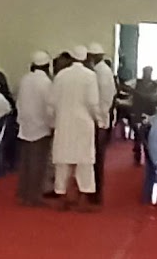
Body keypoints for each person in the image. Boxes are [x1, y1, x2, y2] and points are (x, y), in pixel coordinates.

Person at [50, 45, 101, 211]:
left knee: (62, 161)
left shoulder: (61, 76)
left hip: (63, 122)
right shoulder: (90, 76)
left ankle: (62, 197)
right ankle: (84, 199)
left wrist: (53, 122)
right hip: (83, 123)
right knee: (84, 162)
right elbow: (92, 103)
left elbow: (52, 102)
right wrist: (98, 120)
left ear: (71, 58)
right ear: (86, 58)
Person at [15, 52, 55, 207]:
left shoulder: (25, 80)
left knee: (26, 163)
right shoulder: (46, 83)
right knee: (38, 164)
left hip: (25, 126)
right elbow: (49, 107)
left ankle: (23, 194)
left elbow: (18, 102)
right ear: (47, 66)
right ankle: (34, 197)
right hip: (40, 127)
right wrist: (52, 125)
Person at [87, 41, 116, 206]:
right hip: (101, 119)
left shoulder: (100, 72)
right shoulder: (102, 71)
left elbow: (102, 99)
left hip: (99, 121)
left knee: (96, 159)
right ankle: (93, 191)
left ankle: (95, 193)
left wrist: (98, 119)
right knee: (95, 158)